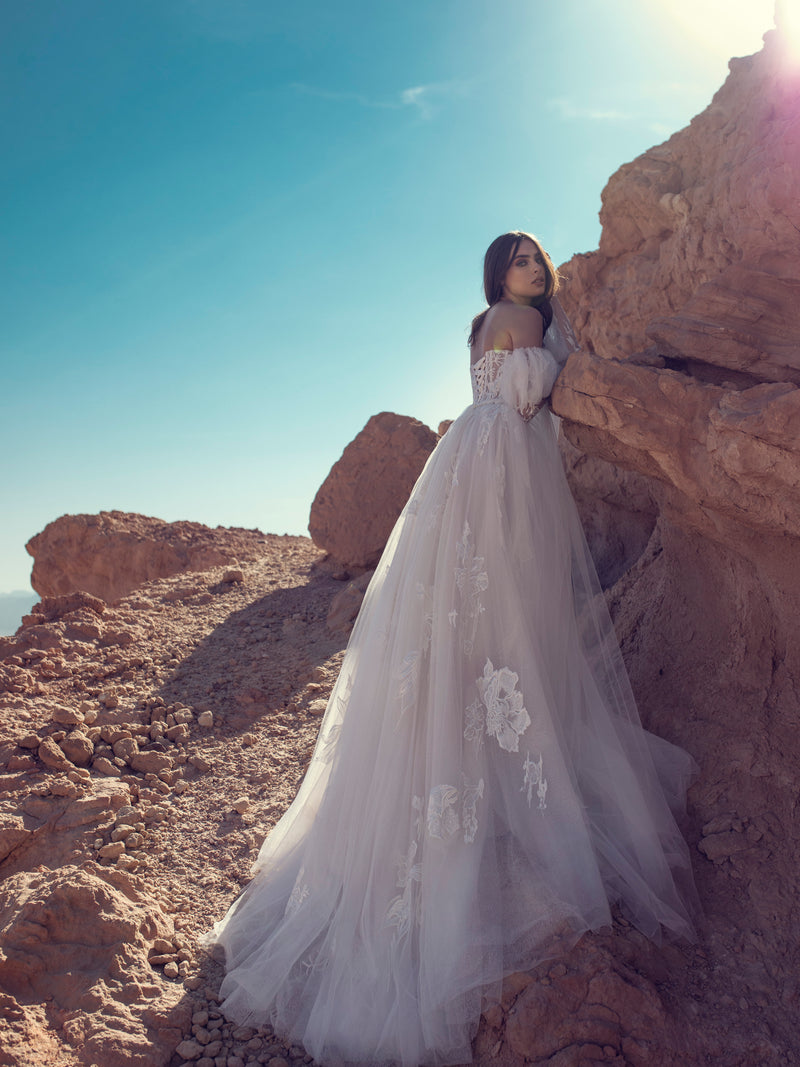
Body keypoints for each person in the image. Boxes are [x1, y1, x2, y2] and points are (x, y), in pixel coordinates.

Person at [203, 231, 699, 1067]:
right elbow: (535, 397)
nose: (534, 274)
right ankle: (501, 774)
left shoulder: (480, 324)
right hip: (505, 463)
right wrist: (562, 345)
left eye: (538, 264)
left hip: (469, 461)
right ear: (500, 273)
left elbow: (500, 388)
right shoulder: (520, 321)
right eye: (522, 261)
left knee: (470, 619)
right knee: (510, 609)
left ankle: (467, 745)